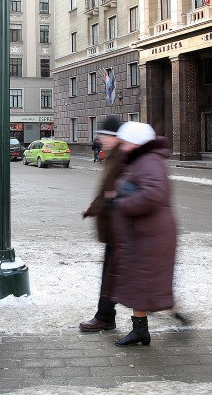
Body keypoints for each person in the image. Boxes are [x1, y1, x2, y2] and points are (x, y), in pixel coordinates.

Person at [105, 121, 188, 346]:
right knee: (138, 282)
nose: (122, 147)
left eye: (125, 142)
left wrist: (122, 204)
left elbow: (154, 194)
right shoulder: (141, 160)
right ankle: (140, 330)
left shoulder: (149, 161)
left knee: (144, 282)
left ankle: (161, 321)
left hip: (151, 234)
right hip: (143, 233)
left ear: (136, 142)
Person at [80, 116, 124, 332]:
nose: (100, 139)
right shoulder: (113, 157)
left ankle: (105, 317)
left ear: (115, 137)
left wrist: (103, 203)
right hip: (112, 227)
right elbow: (106, 190)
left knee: (111, 276)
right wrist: (95, 206)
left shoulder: (121, 158)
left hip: (119, 228)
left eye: (105, 136)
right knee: (112, 275)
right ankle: (106, 316)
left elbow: (117, 192)